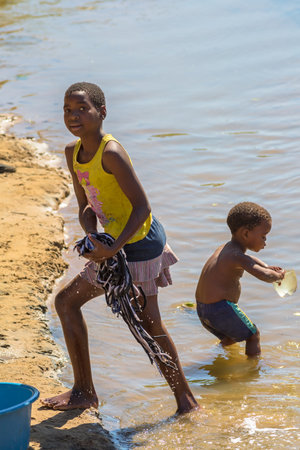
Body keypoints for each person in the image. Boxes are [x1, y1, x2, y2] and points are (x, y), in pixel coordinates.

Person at [41, 82, 198, 414]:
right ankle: (84, 391)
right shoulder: (73, 153)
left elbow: (142, 207)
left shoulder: (111, 153)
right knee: (67, 303)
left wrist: (112, 250)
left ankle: (187, 401)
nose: (74, 116)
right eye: (68, 109)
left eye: (82, 109)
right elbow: (85, 206)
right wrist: (91, 237)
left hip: (139, 244)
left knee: (149, 323)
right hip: (113, 244)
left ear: (102, 113)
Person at [195, 202, 285, 357]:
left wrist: (266, 266)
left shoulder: (227, 249)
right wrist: (277, 276)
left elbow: (249, 260)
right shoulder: (237, 256)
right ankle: (254, 370)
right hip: (220, 309)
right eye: (263, 236)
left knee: (231, 337)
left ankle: (217, 357)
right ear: (245, 234)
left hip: (204, 309)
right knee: (253, 334)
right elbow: (262, 275)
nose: (265, 241)